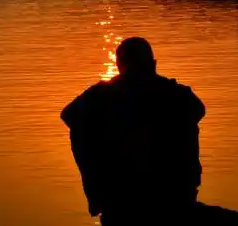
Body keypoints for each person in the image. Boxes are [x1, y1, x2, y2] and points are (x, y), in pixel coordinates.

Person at [61, 37, 206, 225]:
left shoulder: (103, 95)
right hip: (164, 193)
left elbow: (69, 116)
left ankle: (102, 193)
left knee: (81, 129)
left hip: (134, 194)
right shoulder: (176, 93)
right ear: (153, 64)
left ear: (120, 66)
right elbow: (198, 110)